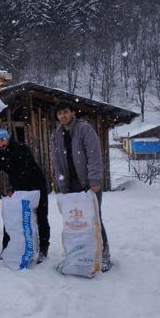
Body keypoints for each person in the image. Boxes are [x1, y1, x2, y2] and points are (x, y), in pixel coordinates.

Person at [49, 101, 112, 272]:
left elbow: (94, 156)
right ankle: (81, 253)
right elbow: (56, 162)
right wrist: (62, 185)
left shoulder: (85, 130)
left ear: (73, 113)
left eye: (66, 112)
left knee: (95, 219)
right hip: (71, 186)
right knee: (76, 222)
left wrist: (94, 181)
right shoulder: (56, 135)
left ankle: (104, 254)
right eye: (60, 113)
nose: (63, 116)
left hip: (88, 185)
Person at [0, 128, 50, 263]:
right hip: (19, 187)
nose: (1, 143)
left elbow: (24, 169)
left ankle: (43, 250)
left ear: (8, 138)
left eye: (3, 140)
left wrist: (15, 189)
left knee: (41, 217)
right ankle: (6, 249)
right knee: (12, 217)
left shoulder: (21, 148)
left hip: (36, 184)